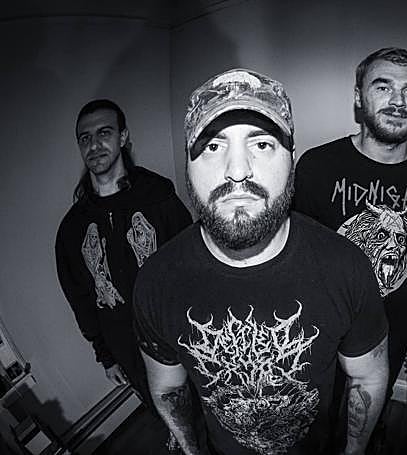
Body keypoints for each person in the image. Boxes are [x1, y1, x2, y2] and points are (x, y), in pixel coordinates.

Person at [133, 68, 389, 455]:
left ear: (292, 159)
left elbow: (367, 379)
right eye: (213, 146)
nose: (238, 171)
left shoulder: (346, 267)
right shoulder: (156, 282)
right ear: (187, 164)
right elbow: (169, 388)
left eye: (263, 144)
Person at [294, 47, 407, 399]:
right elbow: (295, 265)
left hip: (388, 337)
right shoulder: (317, 166)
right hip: (321, 331)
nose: (398, 101)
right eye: (383, 87)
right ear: (358, 97)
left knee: (368, 417)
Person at [55, 99, 192, 406]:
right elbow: (80, 298)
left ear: (123, 137)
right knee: (167, 416)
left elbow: (192, 260)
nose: (94, 145)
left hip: (180, 333)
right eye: (85, 138)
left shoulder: (157, 196)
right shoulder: (72, 230)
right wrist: (106, 356)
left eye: (104, 133)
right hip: (129, 351)